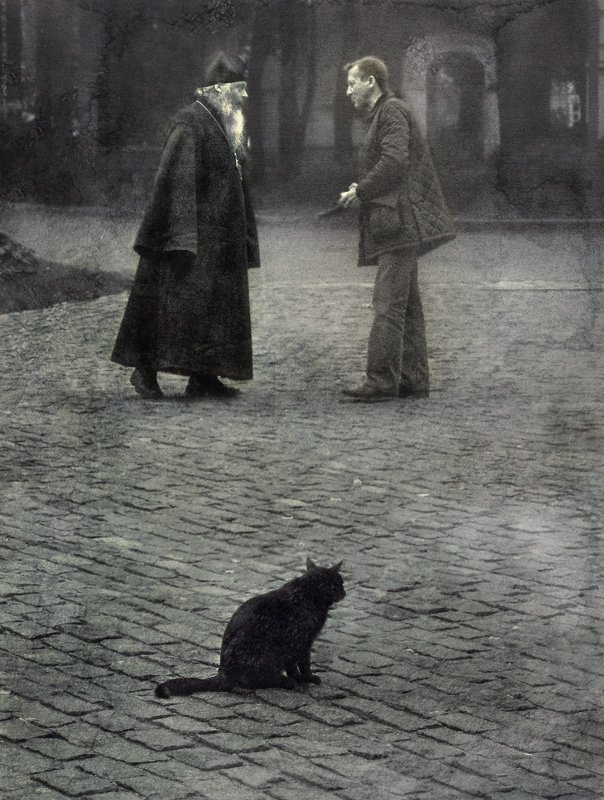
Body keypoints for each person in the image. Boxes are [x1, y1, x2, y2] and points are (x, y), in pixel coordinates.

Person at [111, 52, 260, 399]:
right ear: (219, 89)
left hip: (217, 241)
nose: (245, 95)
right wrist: (181, 237)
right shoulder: (190, 123)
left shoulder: (222, 123)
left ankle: (204, 376)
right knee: (168, 306)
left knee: (213, 310)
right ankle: (144, 372)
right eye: (240, 88)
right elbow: (175, 182)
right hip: (188, 238)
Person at [339, 56, 455, 402]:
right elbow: (392, 164)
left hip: (398, 224)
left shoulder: (391, 111)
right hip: (398, 220)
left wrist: (361, 191)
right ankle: (414, 378)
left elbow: (394, 162)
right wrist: (362, 190)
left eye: (352, 83)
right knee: (407, 306)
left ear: (371, 82)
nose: (348, 91)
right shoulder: (387, 113)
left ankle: (380, 381)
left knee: (387, 304)